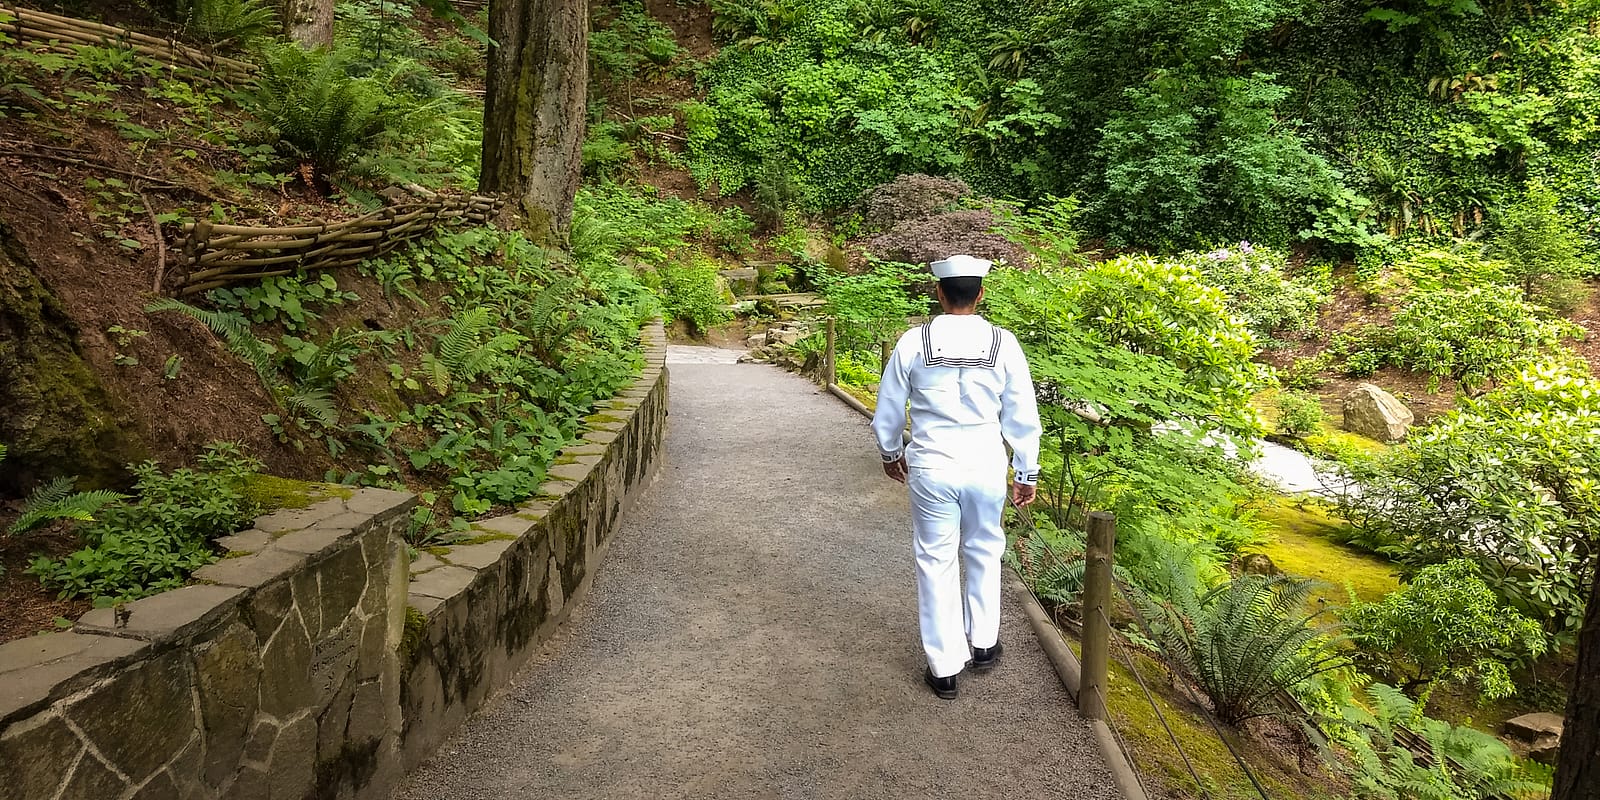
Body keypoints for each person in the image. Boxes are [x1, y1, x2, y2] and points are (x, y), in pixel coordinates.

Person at [871, 254, 1042, 700]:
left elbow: (888, 406)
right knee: (986, 547)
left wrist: (891, 452)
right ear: (981, 294)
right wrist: (1026, 470)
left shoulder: (914, 341)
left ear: (939, 293)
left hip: (932, 464)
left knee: (935, 558)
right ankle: (984, 643)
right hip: (986, 461)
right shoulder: (1004, 344)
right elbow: (1023, 413)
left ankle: (944, 666)